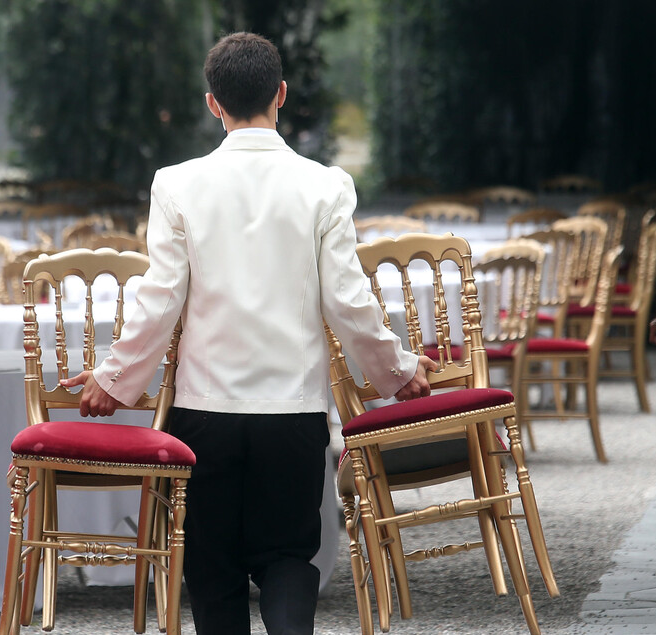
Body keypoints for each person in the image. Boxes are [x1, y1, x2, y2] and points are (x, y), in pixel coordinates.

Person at [59, 32, 435, 635]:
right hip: (293, 411)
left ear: (214, 103)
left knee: (213, 572)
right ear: (281, 94)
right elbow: (347, 298)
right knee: (288, 557)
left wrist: (114, 379)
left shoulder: (177, 184)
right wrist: (397, 370)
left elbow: (160, 299)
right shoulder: (325, 185)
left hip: (205, 408)